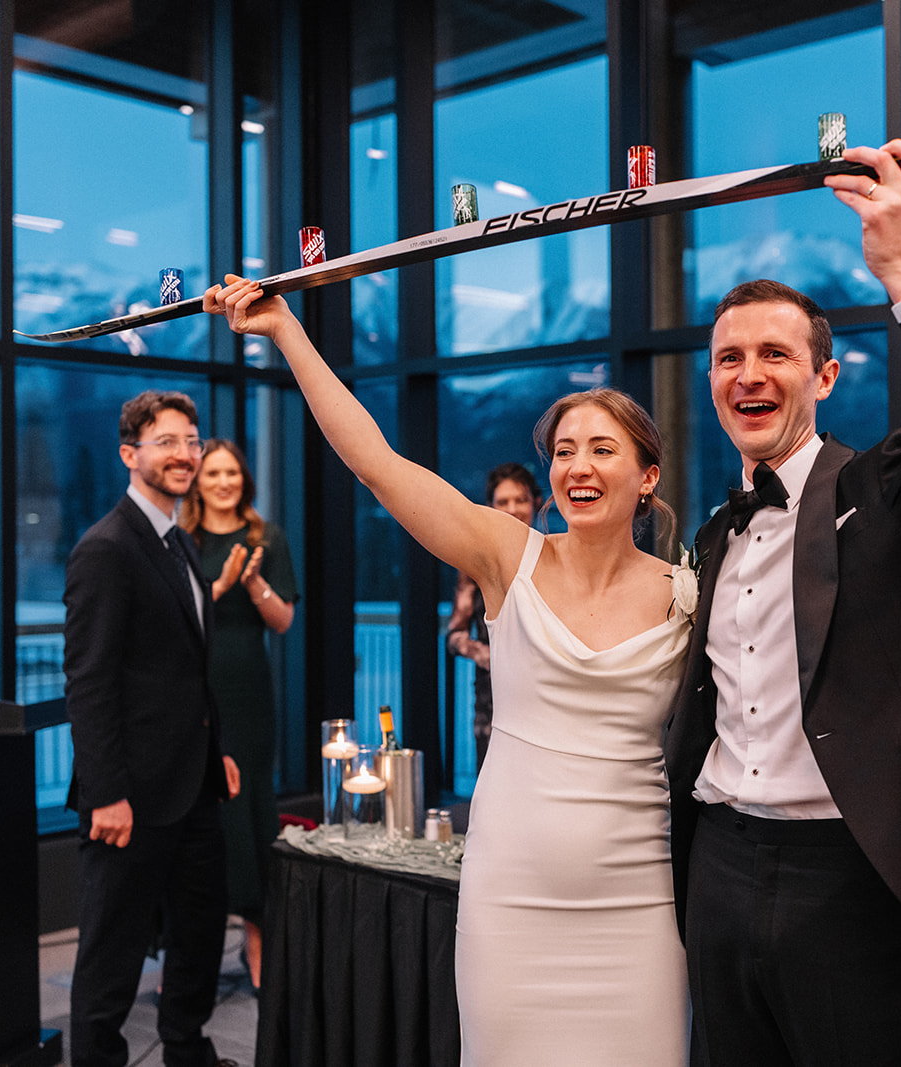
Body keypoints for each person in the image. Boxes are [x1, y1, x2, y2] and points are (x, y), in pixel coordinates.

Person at [206, 269, 695, 1063]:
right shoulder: (509, 557)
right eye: (564, 450)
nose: (579, 465)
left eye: (603, 448)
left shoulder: (688, 596)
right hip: (511, 897)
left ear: (646, 476)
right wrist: (288, 333)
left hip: (639, 901)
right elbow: (376, 463)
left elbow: (779, 678)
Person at [663, 139, 901, 1066]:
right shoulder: (714, 532)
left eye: (773, 355)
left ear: (825, 377)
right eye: (727, 358)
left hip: (851, 870)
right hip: (715, 861)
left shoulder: (889, 485)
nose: (747, 373)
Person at [63, 390, 241, 1067]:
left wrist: (214, 748)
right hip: (128, 797)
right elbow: (90, 679)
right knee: (112, 953)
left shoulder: (178, 541)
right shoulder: (106, 548)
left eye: (192, 441)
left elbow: (187, 666)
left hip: (192, 782)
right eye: (167, 441)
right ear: (129, 453)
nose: (185, 454)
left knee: (198, 933)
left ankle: (187, 1051)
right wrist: (106, 791)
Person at [181, 439, 298, 992]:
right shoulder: (182, 538)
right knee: (195, 812)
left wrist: (252, 584)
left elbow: (282, 622)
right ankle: (186, 953)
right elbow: (175, 618)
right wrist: (220, 585)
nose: (223, 481)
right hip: (192, 690)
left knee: (250, 810)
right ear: (198, 480)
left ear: (243, 480)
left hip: (248, 693)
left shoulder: (265, 538)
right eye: (213, 472)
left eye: (232, 472)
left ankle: (258, 940)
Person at [445, 462, 542, 772]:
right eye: (503, 502)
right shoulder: (476, 564)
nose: (512, 509)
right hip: (494, 698)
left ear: (535, 503)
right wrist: (491, 655)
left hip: (546, 694)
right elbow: (454, 636)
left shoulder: (553, 555)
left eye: (520, 500)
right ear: (490, 507)